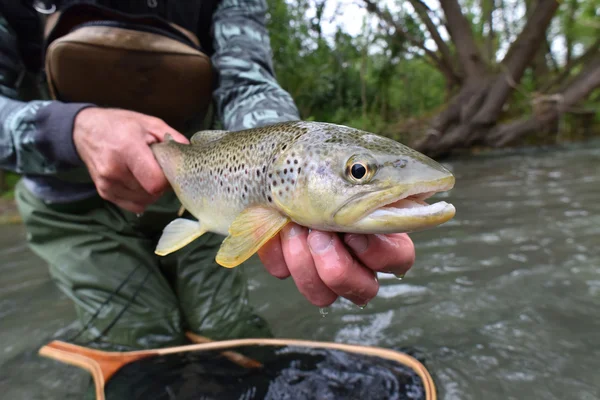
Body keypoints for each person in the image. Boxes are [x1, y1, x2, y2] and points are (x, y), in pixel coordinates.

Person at [0, 0, 415, 352]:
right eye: (359, 173)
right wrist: (70, 129)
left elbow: (247, 83)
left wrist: (278, 164)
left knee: (230, 335)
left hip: (213, 188)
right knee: (138, 338)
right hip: (72, 208)